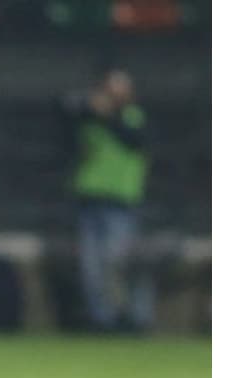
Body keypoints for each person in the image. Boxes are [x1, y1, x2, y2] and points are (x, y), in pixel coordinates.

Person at [62, 68, 152, 333]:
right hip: (90, 198)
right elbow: (66, 117)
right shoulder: (90, 121)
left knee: (119, 262)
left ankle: (131, 318)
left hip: (121, 201)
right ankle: (101, 320)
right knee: (92, 266)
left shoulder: (134, 118)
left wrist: (107, 114)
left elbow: (133, 140)